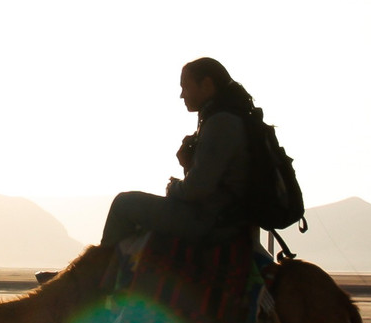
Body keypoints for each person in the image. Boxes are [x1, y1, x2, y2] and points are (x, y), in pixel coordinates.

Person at [98, 57, 261, 250]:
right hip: (224, 218)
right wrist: (187, 165)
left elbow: (197, 189)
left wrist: (173, 186)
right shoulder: (235, 118)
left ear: (206, 84)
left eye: (185, 87)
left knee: (124, 204)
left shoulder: (221, 122)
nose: (181, 95)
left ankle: (99, 269)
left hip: (212, 222)